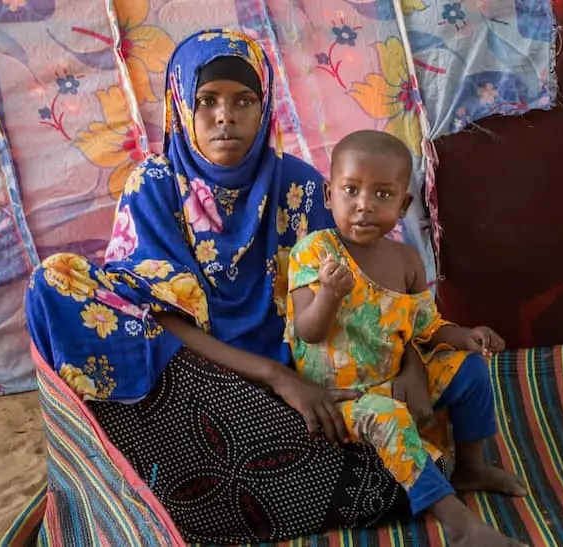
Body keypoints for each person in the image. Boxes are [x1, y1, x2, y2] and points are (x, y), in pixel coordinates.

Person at [25, 30, 415, 545]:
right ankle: (197, 480)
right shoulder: (154, 184)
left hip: (292, 394)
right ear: (181, 106)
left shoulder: (297, 186)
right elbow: (154, 316)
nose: (224, 116)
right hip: (195, 386)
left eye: (243, 100)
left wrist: (409, 365)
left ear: (264, 108)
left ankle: (196, 491)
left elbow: (367, 289)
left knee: (398, 446)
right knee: (54, 284)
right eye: (206, 101)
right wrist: (274, 375)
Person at [287, 130, 528, 545]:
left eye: (382, 195)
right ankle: (459, 524)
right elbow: (307, 332)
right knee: (389, 417)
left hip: (394, 379)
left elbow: (427, 329)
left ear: (404, 204)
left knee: (469, 369)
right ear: (329, 195)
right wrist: (328, 294)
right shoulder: (315, 252)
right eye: (351, 190)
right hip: (342, 398)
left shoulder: (406, 260)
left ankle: (472, 465)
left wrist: (466, 335)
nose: (364, 204)